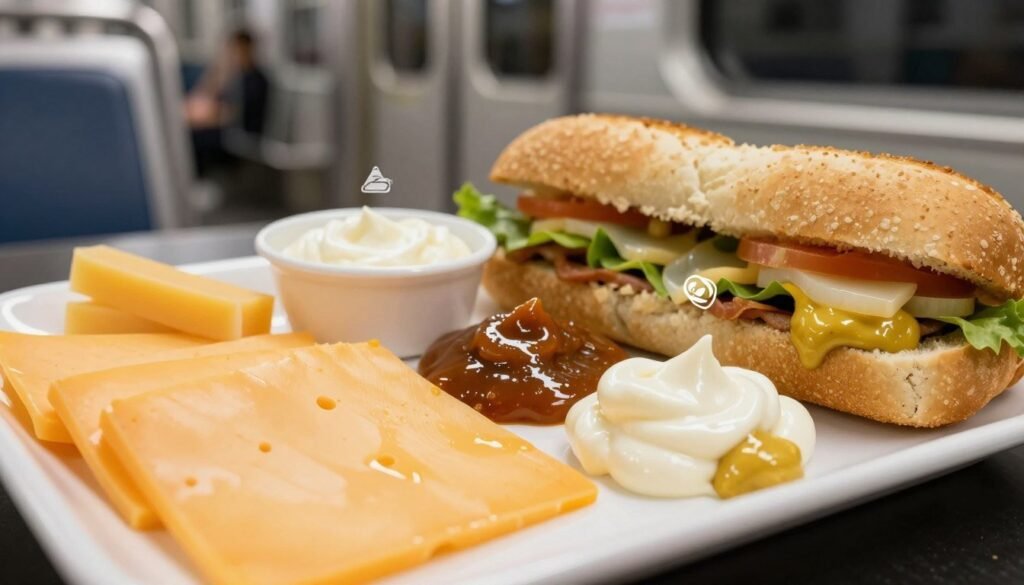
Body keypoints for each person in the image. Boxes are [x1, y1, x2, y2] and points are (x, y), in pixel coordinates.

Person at [185, 29, 270, 176]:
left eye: (237, 50)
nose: (234, 55)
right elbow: (209, 95)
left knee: (196, 137)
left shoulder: (255, 80)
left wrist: (207, 119)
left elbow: (236, 113)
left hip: (242, 133)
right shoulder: (237, 76)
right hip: (231, 127)